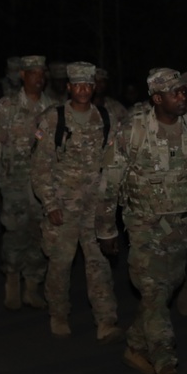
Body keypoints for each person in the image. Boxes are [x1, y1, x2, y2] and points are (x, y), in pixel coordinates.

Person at [98, 68, 187, 374]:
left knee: (164, 290)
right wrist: (106, 229)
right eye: (175, 93)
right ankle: (165, 360)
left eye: (183, 92)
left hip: (181, 228)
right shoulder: (132, 131)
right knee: (153, 293)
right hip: (144, 227)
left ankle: (135, 346)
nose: (183, 97)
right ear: (157, 97)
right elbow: (110, 183)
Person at [31, 62, 122, 340]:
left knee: (99, 265)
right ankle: (58, 313)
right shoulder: (53, 119)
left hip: (96, 207)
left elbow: (114, 165)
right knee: (60, 263)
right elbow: (40, 166)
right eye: (77, 85)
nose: (83, 90)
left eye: (88, 85)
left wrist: (111, 206)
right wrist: (50, 204)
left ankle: (106, 320)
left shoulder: (107, 119)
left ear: (94, 88)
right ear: (69, 87)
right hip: (63, 204)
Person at [0, 55, 53, 310]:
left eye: (42, 73)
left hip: (44, 186)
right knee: (15, 233)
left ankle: (32, 286)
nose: (39, 78)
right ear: (23, 75)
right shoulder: (8, 105)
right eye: (33, 73)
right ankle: (12, 281)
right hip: (14, 184)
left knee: (40, 235)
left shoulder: (53, 106)